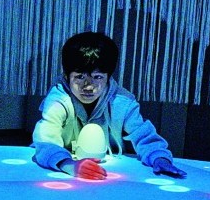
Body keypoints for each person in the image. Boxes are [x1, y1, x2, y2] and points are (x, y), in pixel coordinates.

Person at [32, 31, 187, 180]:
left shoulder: (122, 102)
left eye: (97, 77)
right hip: (66, 172)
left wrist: (159, 158)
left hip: (108, 171)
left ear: (108, 77)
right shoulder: (58, 101)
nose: (88, 86)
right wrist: (68, 164)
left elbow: (143, 136)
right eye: (80, 77)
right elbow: (45, 139)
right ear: (67, 76)